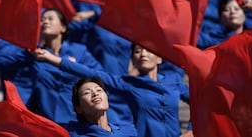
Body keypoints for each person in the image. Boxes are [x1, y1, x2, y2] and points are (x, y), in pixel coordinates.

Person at [33, 43, 193, 137]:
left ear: (159, 58)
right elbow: (91, 74)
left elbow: (200, 102)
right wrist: (52, 58)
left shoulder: (174, 81)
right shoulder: (128, 83)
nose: (143, 54)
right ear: (133, 61)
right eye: (137, 51)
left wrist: (192, 131)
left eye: (148, 50)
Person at [65, 77, 137, 137]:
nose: (95, 94)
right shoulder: (70, 134)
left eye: (99, 90)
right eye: (86, 92)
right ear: (78, 108)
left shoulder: (128, 131)